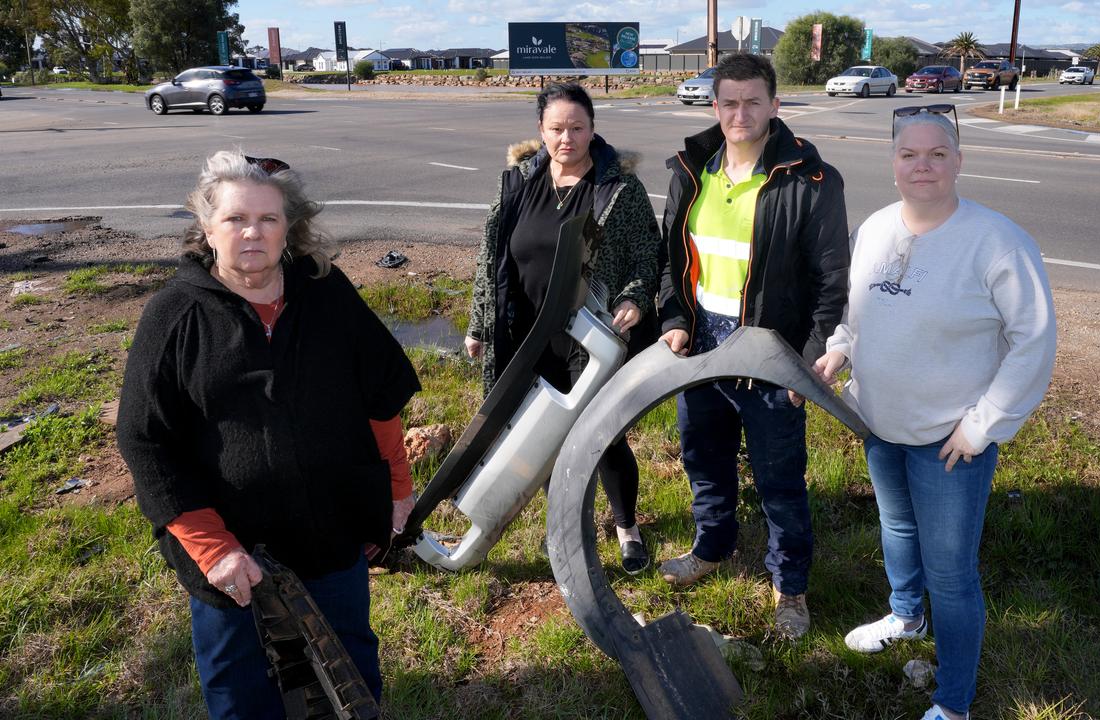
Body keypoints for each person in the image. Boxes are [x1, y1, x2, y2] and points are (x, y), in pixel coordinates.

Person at [117, 151, 421, 718]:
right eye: (235, 219)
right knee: (241, 689)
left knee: (349, 670)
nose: (252, 232)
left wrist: (396, 488)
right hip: (230, 552)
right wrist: (214, 550)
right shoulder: (174, 315)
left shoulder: (326, 292)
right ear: (207, 228)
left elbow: (380, 395)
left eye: (269, 219)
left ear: (291, 227)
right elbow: (145, 441)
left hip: (331, 531)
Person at [814, 105, 1056, 720]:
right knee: (896, 528)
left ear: (958, 162)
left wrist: (983, 424)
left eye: (937, 154)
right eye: (908, 154)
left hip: (951, 440)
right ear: (893, 163)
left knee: (951, 575)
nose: (922, 166)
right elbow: (856, 313)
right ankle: (904, 614)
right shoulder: (873, 228)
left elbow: (1034, 339)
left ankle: (954, 703)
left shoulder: (996, 240)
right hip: (879, 422)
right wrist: (839, 352)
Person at [654, 53, 850, 639]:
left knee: (779, 479)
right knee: (704, 459)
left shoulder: (811, 180)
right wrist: (675, 319)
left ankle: (790, 589)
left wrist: (807, 361)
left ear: (774, 105)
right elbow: (671, 262)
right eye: (729, 102)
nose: (741, 113)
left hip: (771, 352)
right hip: (702, 347)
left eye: (753, 101)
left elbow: (830, 280)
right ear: (714, 106)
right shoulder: (692, 171)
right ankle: (711, 548)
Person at [464, 82, 661, 574]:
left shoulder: (618, 188)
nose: (567, 138)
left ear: (593, 128)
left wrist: (635, 298)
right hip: (525, 333)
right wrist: (479, 324)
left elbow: (646, 254)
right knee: (545, 439)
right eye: (556, 129)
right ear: (540, 131)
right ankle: (571, 530)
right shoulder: (517, 181)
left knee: (605, 437)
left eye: (577, 127)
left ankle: (626, 527)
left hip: (590, 336)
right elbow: (491, 258)